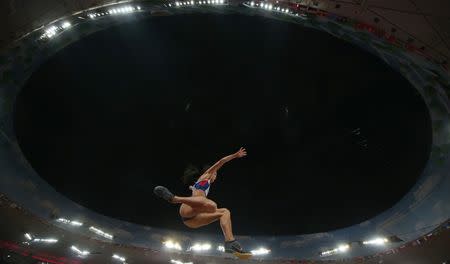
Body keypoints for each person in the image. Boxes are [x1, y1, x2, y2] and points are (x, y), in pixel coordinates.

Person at [154, 147, 249, 254]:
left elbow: (195, 188)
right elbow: (221, 162)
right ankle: (174, 199)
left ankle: (230, 242)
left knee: (225, 212)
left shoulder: (202, 185)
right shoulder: (206, 176)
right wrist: (235, 155)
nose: (215, 176)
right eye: (215, 174)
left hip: (193, 221)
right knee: (212, 206)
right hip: (187, 210)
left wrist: (193, 188)